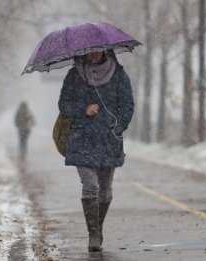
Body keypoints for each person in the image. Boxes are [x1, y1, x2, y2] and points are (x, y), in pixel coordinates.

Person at [58, 50, 134, 252]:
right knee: (90, 186)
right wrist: (83, 109)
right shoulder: (74, 74)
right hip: (81, 139)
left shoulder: (118, 74)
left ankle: (98, 228)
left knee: (105, 191)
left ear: (106, 50)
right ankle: (93, 235)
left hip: (109, 140)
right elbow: (64, 105)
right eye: (89, 50)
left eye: (97, 49)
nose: (93, 53)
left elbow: (127, 105)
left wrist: (116, 126)